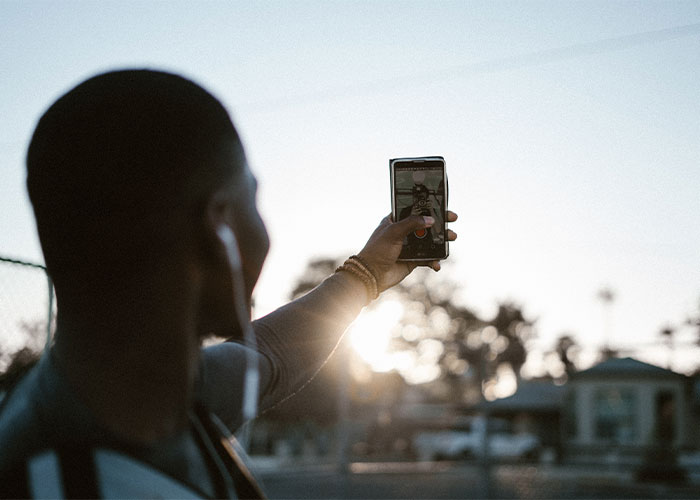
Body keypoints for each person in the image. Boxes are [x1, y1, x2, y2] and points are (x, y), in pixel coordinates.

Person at [0, 69, 457, 498]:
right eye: (252, 199)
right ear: (217, 225)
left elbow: (272, 353)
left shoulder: (152, 394)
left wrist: (367, 274)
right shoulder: (65, 480)